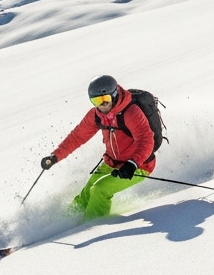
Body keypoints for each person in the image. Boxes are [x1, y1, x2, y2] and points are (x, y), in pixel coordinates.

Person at [39, 75, 156, 218]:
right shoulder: (96, 115)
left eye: (104, 99)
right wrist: (56, 156)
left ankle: (91, 228)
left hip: (139, 165)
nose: (101, 105)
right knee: (87, 192)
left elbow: (146, 140)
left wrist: (132, 163)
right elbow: (77, 137)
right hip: (112, 162)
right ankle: (65, 224)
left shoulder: (131, 112)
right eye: (96, 101)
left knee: (99, 190)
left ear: (114, 95)